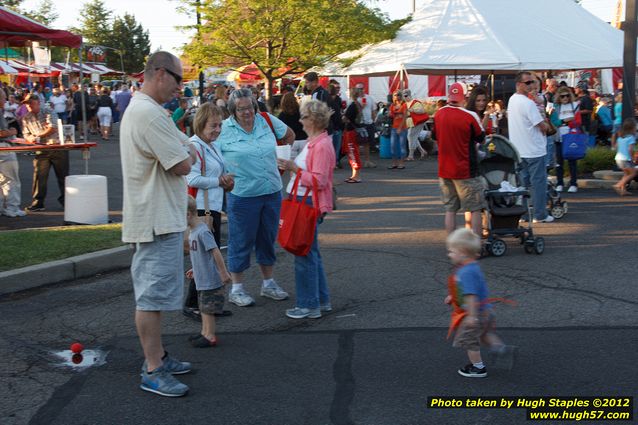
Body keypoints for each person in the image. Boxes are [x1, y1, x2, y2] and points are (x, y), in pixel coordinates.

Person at [120, 51, 198, 397]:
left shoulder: (151, 111)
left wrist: (187, 151)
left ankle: (159, 357)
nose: (181, 88)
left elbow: (184, 149)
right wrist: (190, 153)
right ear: (161, 74)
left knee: (157, 295)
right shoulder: (150, 115)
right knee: (151, 297)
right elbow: (182, 162)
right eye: (179, 79)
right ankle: (152, 368)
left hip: (158, 214)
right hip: (154, 219)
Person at [216, 88, 295, 307]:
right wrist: (220, 176)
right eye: (241, 109)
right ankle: (237, 288)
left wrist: (283, 158)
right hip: (242, 194)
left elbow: (289, 134)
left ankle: (268, 284)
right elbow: (210, 154)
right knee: (240, 240)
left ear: (255, 105)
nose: (247, 112)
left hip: (271, 191)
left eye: (250, 107)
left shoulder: (266, 120)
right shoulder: (224, 130)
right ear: (233, 110)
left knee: (267, 239)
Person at [276, 100, 335, 319]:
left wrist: (293, 168)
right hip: (306, 201)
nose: (300, 121)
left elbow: (319, 180)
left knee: (304, 254)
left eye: (303, 117)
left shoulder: (320, 145)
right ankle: (320, 300)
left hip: (307, 203)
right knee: (310, 254)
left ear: (313, 120)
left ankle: (309, 305)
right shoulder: (316, 142)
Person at [182, 102, 235, 321]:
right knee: (204, 258)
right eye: (213, 125)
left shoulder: (212, 145)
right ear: (201, 124)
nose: (218, 130)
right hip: (201, 209)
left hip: (211, 207)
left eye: (220, 125)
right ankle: (193, 304)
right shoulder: (195, 146)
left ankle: (209, 304)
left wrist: (226, 182)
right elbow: (191, 178)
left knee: (207, 259)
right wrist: (219, 182)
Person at [444, 228, 514, 378]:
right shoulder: (472, 267)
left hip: (477, 314)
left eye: (451, 251)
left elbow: (471, 295)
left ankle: (478, 368)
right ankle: (500, 349)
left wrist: (472, 317)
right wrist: (453, 296)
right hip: (487, 311)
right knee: (484, 335)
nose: (448, 254)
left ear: (462, 252)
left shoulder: (465, 272)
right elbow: (467, 289)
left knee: (470, 341)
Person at [432, 82, 486, 235]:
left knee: (450, 209)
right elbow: (481, 138)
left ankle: (452, 244)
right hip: (466, 169)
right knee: (474, 208)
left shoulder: (439, 113)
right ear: (465, 97)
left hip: (444, 169)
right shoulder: (470, 116)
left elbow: (434, 136)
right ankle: (475, 244)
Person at [185, 195, 232, 347]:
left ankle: (210, 336)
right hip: (201, 277)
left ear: (187, 214)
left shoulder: (202, 231)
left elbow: (215, 251)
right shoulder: (192, 231)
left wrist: (223, 273)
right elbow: (200, 254)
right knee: (203, 307)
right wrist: (195, 268)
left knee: (207, 309)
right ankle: (204, 332)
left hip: (210, 278)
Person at [507, 72, 553, 223]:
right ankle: (540, 214)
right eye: (528, 83)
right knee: (538, 184)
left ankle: (524, 214)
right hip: (534, 149)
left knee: (523, 184)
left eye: (532, 82)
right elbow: (542, 126)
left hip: (519, 150)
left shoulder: (512, 100)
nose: (532, 85)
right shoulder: (528, 103)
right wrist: (547, 122)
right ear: (519, 84)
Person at [21, 94, 69, 212]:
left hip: (57, 147)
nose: (29, 106)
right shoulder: (26, 118)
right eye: (27, 104)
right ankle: (38, 202)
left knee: (63, 177)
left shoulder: (48, 111)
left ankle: (67, 201)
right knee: (39, 177)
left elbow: (53, 127)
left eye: (30, 103)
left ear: (38, 102)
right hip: (41, 149)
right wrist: (30, 138)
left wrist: (36, 136)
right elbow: (26, 134)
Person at [0, 90, 25, 217]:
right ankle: (12, 208)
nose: (5, 102)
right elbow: (1, 133)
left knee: (2, 180)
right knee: (12, 179)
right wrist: (11, 131)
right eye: (4, 99)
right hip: (4, 148)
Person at [551, 86, 580, 193]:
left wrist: (563, 122)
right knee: (559, 162)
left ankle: (573, 183)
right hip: (559, 138)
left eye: (567, 95)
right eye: (562, 96)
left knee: (572, 162)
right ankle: (559, 182)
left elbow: (577, 121)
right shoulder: (556, 107)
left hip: (571, 136)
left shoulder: (575, 105)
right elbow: (554, 121)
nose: (565, 98)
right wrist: (566, 121)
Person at [612, 118, 637, 196]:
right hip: (626, 159)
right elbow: (630, 150)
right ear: (633, 128)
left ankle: (623, 190)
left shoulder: (620, 137)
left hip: (618, 159)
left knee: (626, 174)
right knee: (633, 173)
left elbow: (616, 147)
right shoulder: (631, 138)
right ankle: (618, 185)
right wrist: (632, 158)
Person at [342, 87, 363, 183]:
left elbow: (346, 118)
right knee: (352, 152)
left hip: (350, 130)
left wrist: (342, 116)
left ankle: (356, 175)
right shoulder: (358, 104)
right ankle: (354, 174)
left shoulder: (352, 105)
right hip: (354, 129)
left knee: (352, 152)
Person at [355, 83, 377, 166]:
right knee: (357, 142)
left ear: (364, 89)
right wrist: (362, 107)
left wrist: (373, 120)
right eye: (358, 89)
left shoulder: (369, 98)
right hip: (359, 123)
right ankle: (357, 161)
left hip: (369, 122)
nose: (360, 90)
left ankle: (367, 161)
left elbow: (373, 110)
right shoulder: (355, 99)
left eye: (361, 88)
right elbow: (352, 111)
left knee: (367, 142)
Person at [403, 89, 428, 160]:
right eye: (404, 96)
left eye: (406, 96)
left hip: (416, 121)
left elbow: (422, 110)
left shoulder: (415, 102)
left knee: (410, 136)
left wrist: (412, 110)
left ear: (409, 95)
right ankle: (422, 151)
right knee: (413, 137)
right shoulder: (405, 104)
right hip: (411, 122)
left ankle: (411, 155)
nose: (404, 97)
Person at [388, 90, 408, 169]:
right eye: (395, 95)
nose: (396, 96)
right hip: (394, 127)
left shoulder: (404, 105)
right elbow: (392, 116)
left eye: (398, 95)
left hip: (402, 128)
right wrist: (390, 114)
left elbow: (405, 117)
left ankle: (402, 163)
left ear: (400, 96)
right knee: (393, 146)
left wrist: (400, 127)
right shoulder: (392, 105)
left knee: (402, 146)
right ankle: (394, 163)